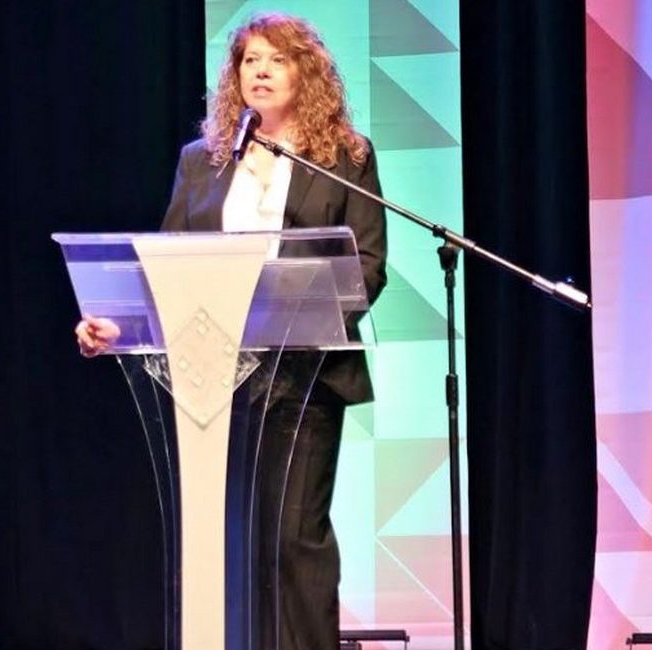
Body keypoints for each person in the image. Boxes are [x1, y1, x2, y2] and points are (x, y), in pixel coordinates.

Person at [75, 12, 386, 650]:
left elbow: (368, 265)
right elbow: (170, 267)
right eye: (250, 60)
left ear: (306, 73)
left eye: (277, 59)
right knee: (225, 542)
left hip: (303, 379)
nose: (260, 71)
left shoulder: (344, 157)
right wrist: (119, 324)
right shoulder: (203, 162)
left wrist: (296, 313)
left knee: (293, 539)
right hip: (214, 380)